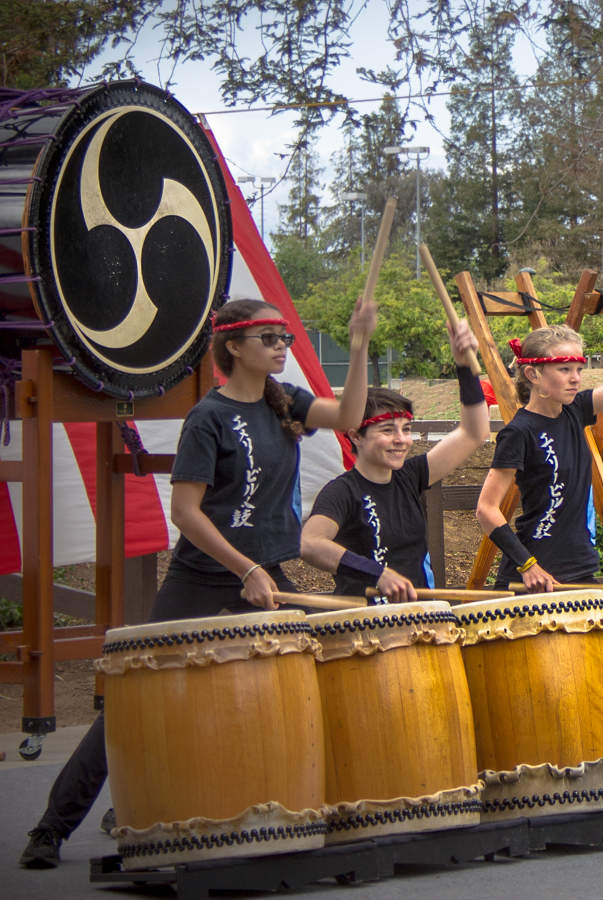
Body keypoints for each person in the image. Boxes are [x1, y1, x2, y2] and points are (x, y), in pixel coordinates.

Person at [19, 296, 375, 868]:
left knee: (306, 684)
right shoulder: (208, 418)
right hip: (204, 578)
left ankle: (308, 814)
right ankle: (51, 830)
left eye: (286, 337)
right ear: (234, 347)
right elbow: (186, 512)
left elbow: (351, 418)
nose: (282, 346)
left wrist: (358, 346)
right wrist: (246, 569)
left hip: (268, 579)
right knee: (132, 703)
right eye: (270, 338)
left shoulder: (288, 405)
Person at [476, 279, 603, 591]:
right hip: (531, 577)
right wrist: (527, 565)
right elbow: (486, 509)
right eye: (564, 370)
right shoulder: (518, 432)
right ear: (533, 374)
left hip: (580, 568)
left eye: (578, 369)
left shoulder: (577, 410)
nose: (575, 379)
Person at [301, 322, 489, 599]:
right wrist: (377, 573)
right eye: (388, 431)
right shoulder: (341, 492)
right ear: (356, 436)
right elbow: (310, 544)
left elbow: (474, 432)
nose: (401, 439)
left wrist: (465, 367)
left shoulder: (411, 476)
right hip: (368, 627)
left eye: (406, 429)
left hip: (419, 616)